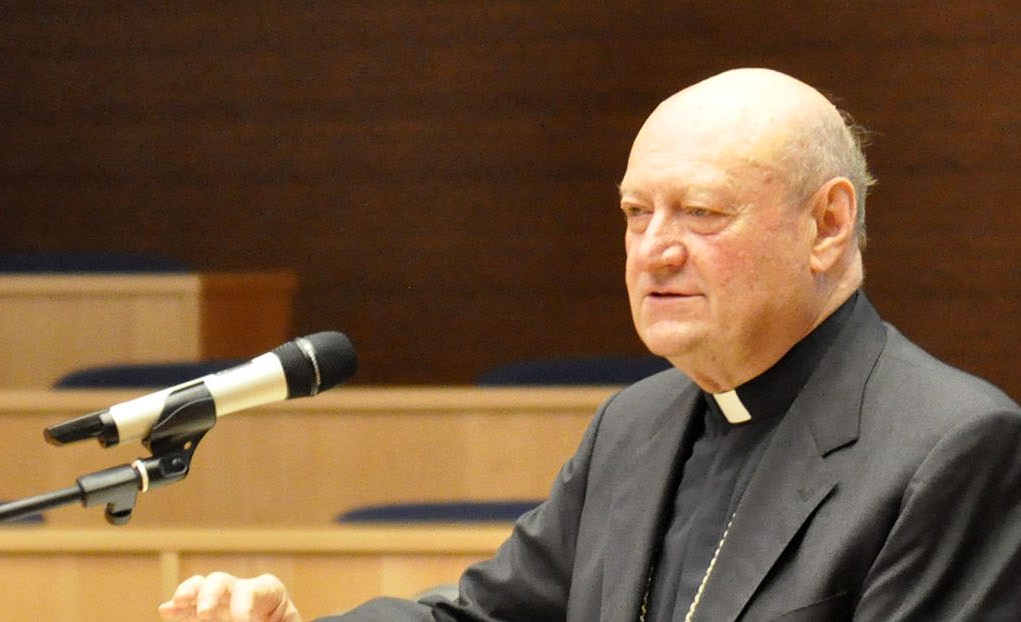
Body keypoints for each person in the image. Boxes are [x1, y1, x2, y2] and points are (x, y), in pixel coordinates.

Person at [159, 68, 1021, 621]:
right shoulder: (637, 426)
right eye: (635, 213)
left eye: (702, 211)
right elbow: (485, 617)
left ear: (827, 224)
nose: (655, 248)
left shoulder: (950, 445)